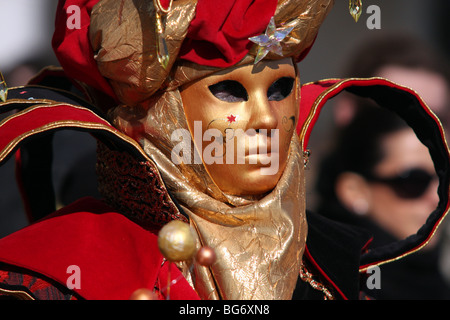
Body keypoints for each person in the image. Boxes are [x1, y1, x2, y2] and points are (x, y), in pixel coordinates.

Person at [0, 0, 448, 301]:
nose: (267, 121)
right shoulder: (54, 275)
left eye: (279, 90)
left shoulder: (336, 267)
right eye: (231, 92)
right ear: (158, 117)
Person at [314, 102, 450, 299]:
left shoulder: (431, 279)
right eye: (414, 181)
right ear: (355, 191)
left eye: (445, 178)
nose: (438, 197)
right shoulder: (321, 283)